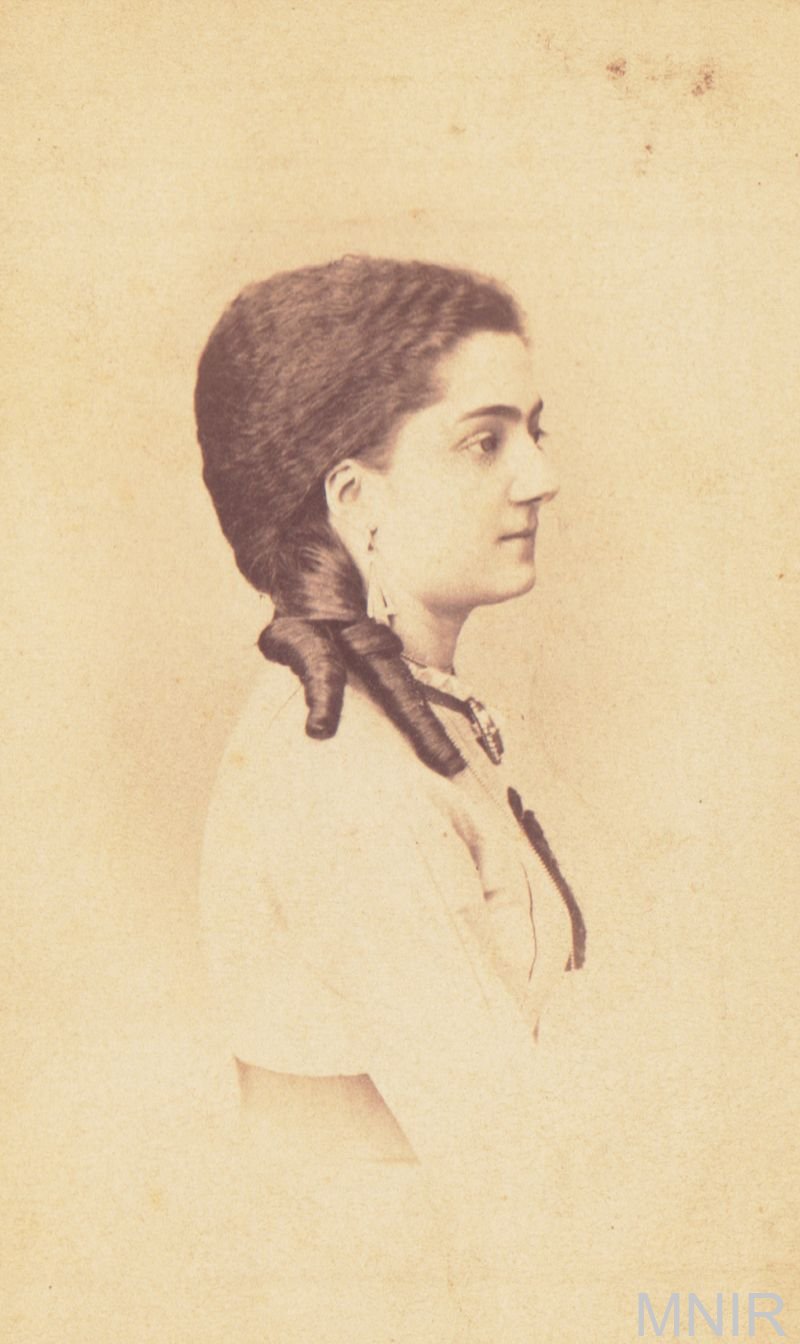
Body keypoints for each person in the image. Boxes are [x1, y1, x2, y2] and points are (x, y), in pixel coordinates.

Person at [194, 256, 587, 1342]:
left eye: (533, 431)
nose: (540, 477)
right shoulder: (347, 766)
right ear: (354, 500)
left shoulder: (410, 713)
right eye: (484, 441)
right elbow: (505, 1164)